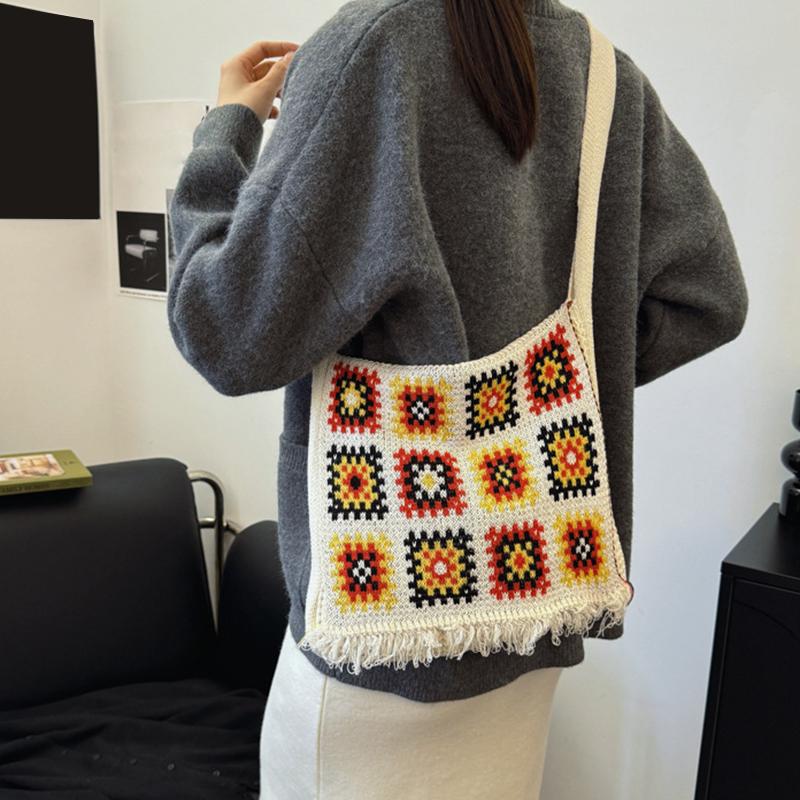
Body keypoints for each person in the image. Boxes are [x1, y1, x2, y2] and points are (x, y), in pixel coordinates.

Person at [166, 0, 749, 797]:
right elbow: (709, 297)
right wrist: (548, 394)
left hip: (373, 653)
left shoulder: (371, 48)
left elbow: (224, 330)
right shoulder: (603, 71)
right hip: (529, 619)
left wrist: (225, 128)